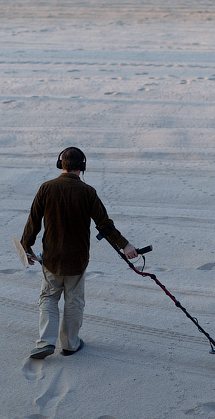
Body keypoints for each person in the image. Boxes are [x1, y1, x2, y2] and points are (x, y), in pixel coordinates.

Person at [21, 147, 137, 360]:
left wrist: (25, 248)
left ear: (60, 164)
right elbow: (105, 225)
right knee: (74, 301)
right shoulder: (88, 192)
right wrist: (125, 245)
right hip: (77, 259)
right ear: (82, 167)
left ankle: (45, 342)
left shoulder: (46, 188)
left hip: (51, 258)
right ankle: (70, 345)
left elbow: (33, 223)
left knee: (48, 297)